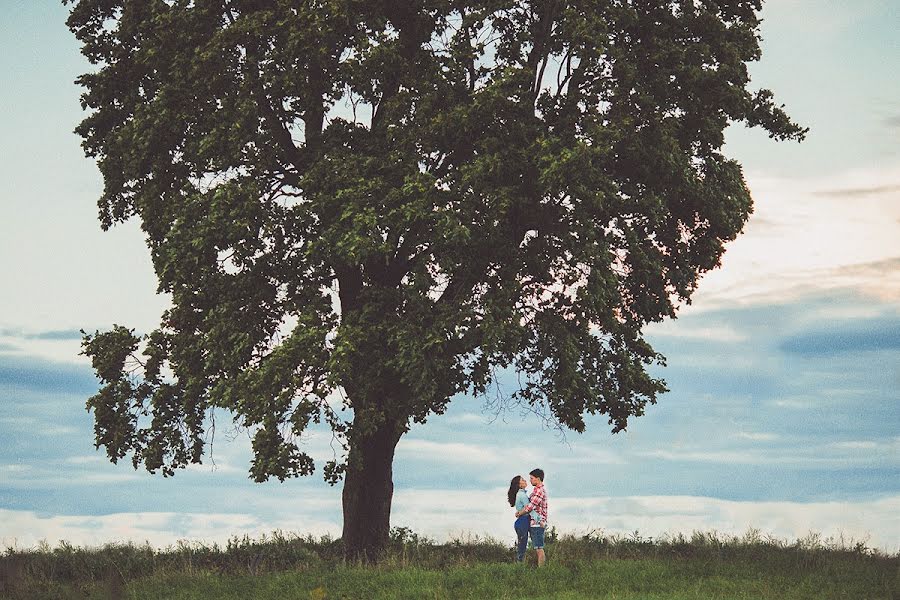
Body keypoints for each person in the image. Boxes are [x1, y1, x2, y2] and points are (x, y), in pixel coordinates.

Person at [515, 468, 548, 566]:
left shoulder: (539, 491)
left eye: (532, 478)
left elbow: (530, 507)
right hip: (534, 523)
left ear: (538, 479)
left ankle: (541, 571)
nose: (530, 480)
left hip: (538, 523)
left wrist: (520, 513)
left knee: (539, 548)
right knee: (536, 547)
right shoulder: (535, 490)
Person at [507, 474, 542, 562]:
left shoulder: (522, 494)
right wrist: (539, 520)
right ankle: (519, 567)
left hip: (522, 521)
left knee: (522, 546)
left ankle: (521, 566)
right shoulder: (521, 495)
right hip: (523, 521)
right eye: (522, 480)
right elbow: (529, 509)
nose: (525, 480)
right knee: (522, 547)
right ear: (519, 484)